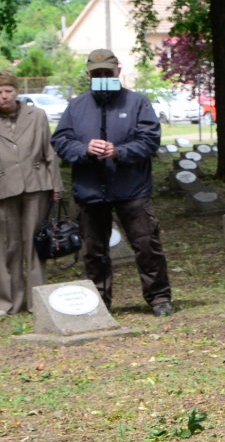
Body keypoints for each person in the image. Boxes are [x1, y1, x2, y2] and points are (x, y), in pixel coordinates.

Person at [53, 49, 170, 316]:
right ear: (88, 75)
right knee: (94, 251)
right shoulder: (76, 106)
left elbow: (150, 140)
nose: (102, 77)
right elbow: (61, 141)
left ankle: (159, 297)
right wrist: (84, 149)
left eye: (107, 73)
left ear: (118, 71)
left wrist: (120, 152)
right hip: (90, 191)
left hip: (132, 189)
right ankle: (98, 301)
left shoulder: (137, 103)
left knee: (146, 246)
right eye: (97, 74)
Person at [0, 70, 62, 315]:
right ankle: (9, 303)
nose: (3, 96)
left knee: (35, 245)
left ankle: (38, 302)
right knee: (8, 246)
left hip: (36, 185)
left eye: (8, 91)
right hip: (3, 189)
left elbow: (49, 151)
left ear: (17, 92)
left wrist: (56, 185)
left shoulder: (37, 115)